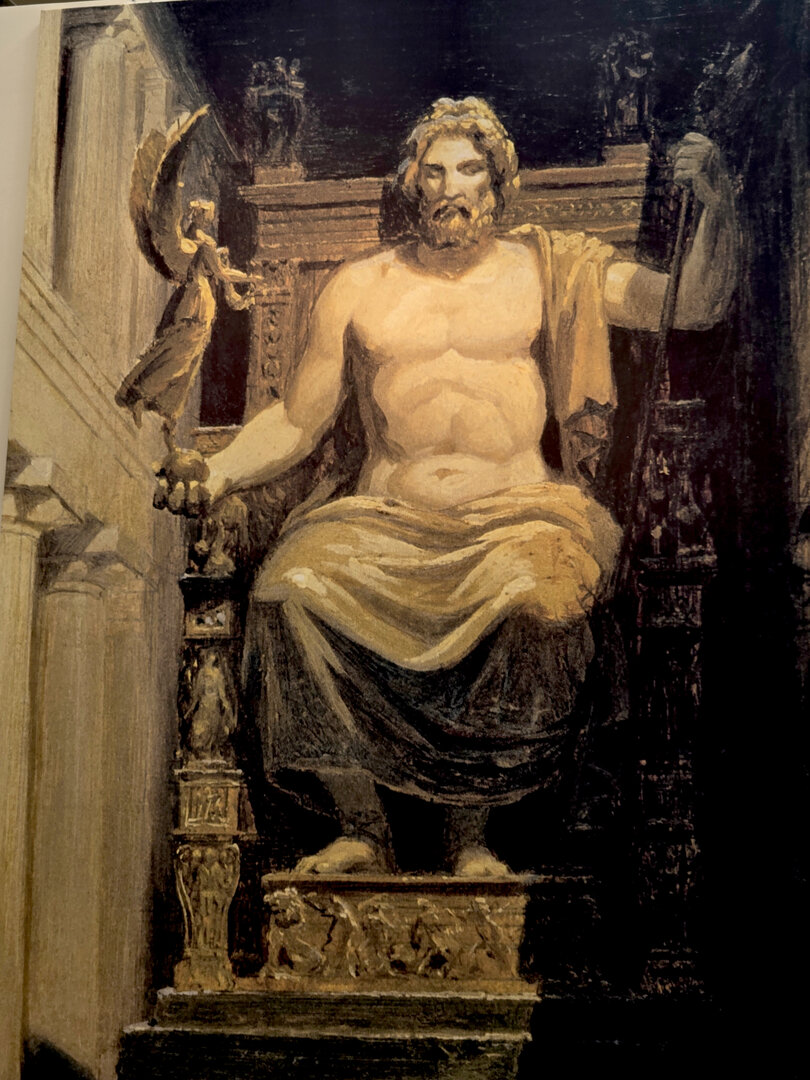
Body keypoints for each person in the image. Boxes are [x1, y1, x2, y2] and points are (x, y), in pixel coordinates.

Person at [156, 98, 737, 876]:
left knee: (540, 600)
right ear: (413, 185)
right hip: (381, 521)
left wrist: (717, 211)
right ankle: (362, 828)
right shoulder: (361, 285)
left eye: (467, 170)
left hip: (522, 517)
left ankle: (473, 835)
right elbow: (297, 419)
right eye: (433, 172)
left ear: (496, 184)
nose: (449, 188)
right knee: (290, 590)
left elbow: (692, 305)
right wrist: (219, 469)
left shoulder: (552, 270)